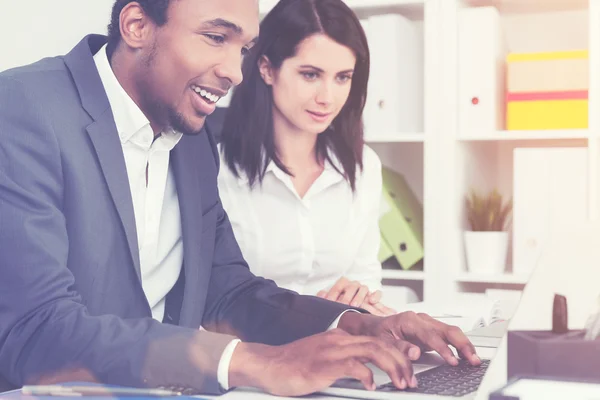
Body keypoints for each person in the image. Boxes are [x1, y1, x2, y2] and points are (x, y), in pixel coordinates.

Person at [0, 0, 480, 397]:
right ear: (137, 25)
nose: (236, 72)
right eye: (215, 37)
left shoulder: (190, 135)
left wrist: (360, 326)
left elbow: (227, 290)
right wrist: (250, 362)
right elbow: (34, 331)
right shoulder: (23, 108)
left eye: (244, 48)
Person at [217, 0, 395, 316]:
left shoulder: (364, 166)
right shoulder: (218, 168)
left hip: (339, 347)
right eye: (311, 75)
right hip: (256, 352)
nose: (327, 97)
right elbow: (213, 297)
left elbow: (365, 278)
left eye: (342, 77)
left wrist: (359, 299)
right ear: (267, 68)